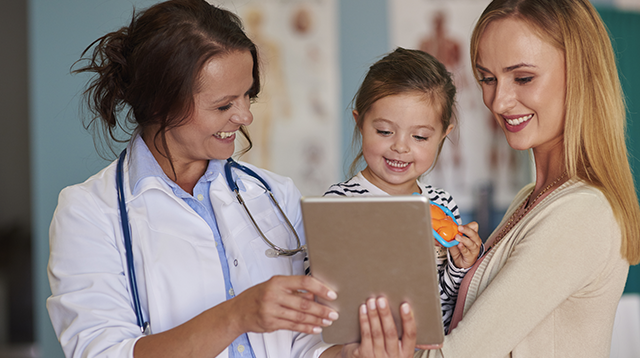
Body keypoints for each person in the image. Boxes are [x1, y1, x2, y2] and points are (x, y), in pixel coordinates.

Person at [45, 1, 417, 357]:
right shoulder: (89, 213)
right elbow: (104, 352)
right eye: (224, 105)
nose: (244, 117)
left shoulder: (276, 195)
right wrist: (238, 315)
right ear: (160, 102)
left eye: (247, 97)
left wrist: (351, 355)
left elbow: (303, 343)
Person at [413, 0, 640, 356]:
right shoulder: (531, 198)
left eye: (523, 78)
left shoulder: (580, 214)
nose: (498, 101)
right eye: (487, 79)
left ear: (580, 74)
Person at [324, 47, 484, 333]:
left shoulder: (441, 203)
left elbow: (446, 305)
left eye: (420, 136)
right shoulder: (339, 202)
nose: (400, 147)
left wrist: (460, 267)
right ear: (359, 122)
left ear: (442, 135)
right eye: (385, 132)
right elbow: (321, 287)